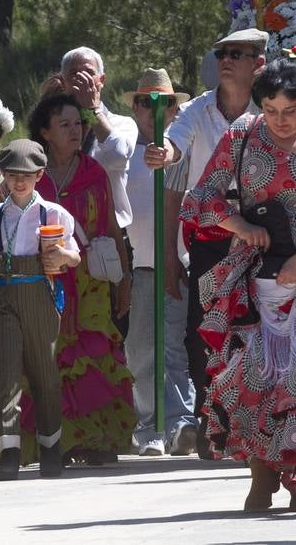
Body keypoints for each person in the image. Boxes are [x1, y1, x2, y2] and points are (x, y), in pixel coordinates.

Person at [181, 52, 296, 511]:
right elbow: (202, 198)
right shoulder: (241, 135)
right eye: (271, 110)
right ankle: (261, 475)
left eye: (291, 111)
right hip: (255, 271)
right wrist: (240, 227)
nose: (280, 121)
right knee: (254, 372)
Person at [144, 27, 266, 458]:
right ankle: (214, 423)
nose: (225, 60)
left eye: (237, 53)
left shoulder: (272, 105)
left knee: (258, 329)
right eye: (221, 53)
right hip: (211, 236)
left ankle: (254, 424)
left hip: (263, 232)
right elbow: (173, 147)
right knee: (204, 333)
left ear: (259, 63)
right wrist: (164, 153)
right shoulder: (196, 110)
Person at [27, 92, 135, 466]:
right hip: (45, 282)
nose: (75, 131)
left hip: (90, 282)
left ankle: (98, 439)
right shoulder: (32, 177)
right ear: (45, 132)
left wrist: (124, 280)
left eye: (78, 123)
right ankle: (57, 440)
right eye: (65, 125)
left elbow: (109, 228)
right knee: (50, 358)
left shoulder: (94, 171)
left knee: (93, 356)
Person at [0, 139, 83, 480]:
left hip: (39, 294)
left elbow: (74, 254)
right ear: (2, 175)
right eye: (12, 174)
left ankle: (50, 447)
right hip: (3, 295)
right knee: (6, 374)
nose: (19, 182)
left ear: (39, 175)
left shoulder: (53, 213)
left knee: (45, 371)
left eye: (27, 175)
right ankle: (10, 453)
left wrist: (62, 256)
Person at [122, 69, 198, 457]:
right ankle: (149, 426)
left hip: (178, 262)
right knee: (139, 349)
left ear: (175, 108)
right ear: (135, 107)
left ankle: (181, 423)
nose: (154, 110)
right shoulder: (125, 153)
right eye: (145, 102)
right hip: (139, 266)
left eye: (164, 102)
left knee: (171, 345)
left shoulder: (181, 149)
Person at [57, 47, 138, 233]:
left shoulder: (122, 124)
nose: (82, 80)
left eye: (89, 73)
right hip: (64, 232)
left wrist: (92, 110)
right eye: (74, 74)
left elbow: (119, 157)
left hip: (109, 233)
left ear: (102, 80)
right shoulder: (52, 127)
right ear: (63, 83)